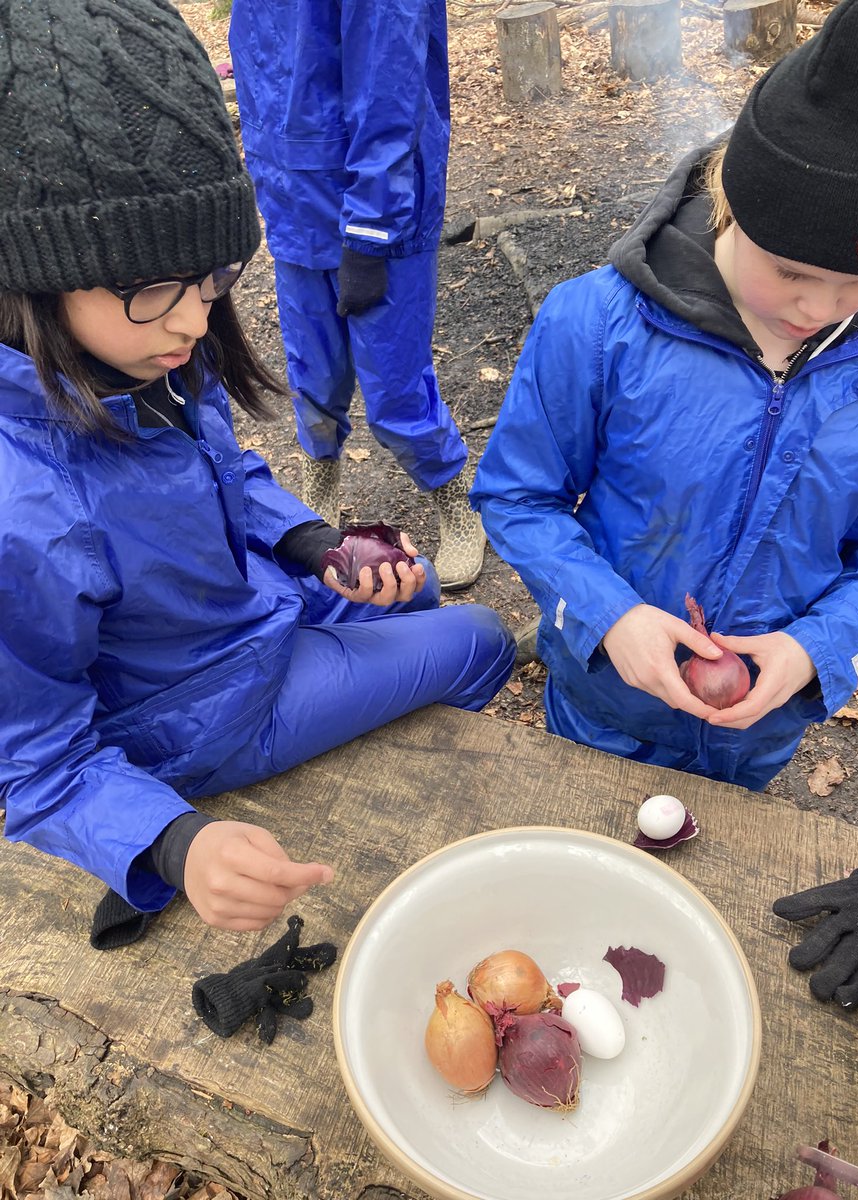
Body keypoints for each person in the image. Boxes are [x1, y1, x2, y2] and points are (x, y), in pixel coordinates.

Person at [0, 0, 515, 937]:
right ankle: (420, 796)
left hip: (252, 606)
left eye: (214, 282)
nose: (197, 322)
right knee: (480, 636)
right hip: (199, 710)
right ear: (32, 273)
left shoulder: (131, 348)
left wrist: (313, 542)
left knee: (421, 594)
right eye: (156, 290)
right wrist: (173, 845)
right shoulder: (23, 510)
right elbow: (36, 768)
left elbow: (225, 469)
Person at [471, 0, 858, 793]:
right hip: (605, 701)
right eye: (793, 272)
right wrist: (612, 615)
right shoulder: (596, 325)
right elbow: (518, 498)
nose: (816, 308)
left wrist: (819, 643)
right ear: (733, 201)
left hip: (759, 728)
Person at [228, 0, 487, 591]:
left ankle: (453, 494)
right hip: (291, 193)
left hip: (374, 201)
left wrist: (371, 231)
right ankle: (320, 480)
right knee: (312, 368)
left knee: (394, 383)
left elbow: (389, 82)